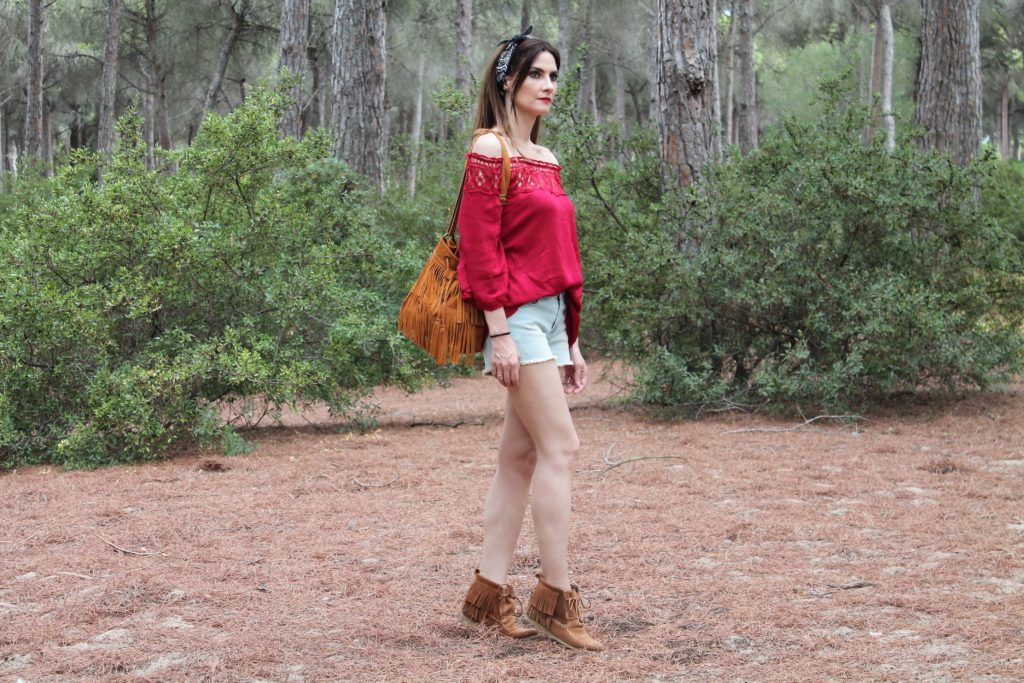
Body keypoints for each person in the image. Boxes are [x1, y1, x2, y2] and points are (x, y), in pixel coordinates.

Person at [456, 26, 603, 652]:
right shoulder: (491, 150)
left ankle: (487, 594)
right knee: (562, 447)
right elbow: (480, 248)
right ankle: (555, 597)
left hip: (547, 316)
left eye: (553, 76)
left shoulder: (545, 160)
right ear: (507, 82)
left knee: (519, 458)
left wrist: (570, 337)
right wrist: (500, 334)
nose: (548, 86)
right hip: (512, 318)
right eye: (537, 74)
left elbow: (560, 254)